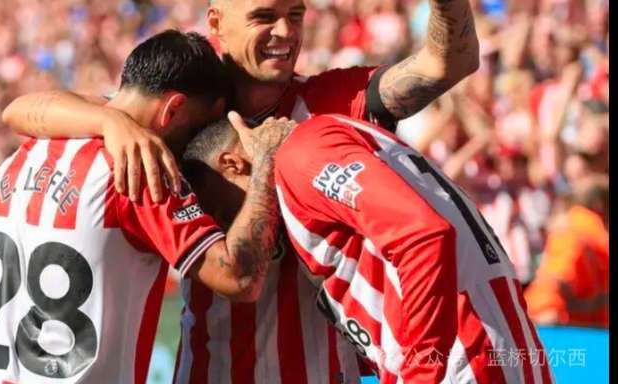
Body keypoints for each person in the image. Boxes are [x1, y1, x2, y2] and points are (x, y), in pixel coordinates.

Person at [1, 0, 481, 383]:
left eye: (296, 15)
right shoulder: (185, 104)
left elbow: (450, 63)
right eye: (264, 17)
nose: (285, 33)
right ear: (216, 23)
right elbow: (21, 109)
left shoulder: (328, 102)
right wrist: (111, 122)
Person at [0, 30, 292, 384]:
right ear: (174, 109)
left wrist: (111, 118)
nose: (197, 149)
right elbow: (238, 277)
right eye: (200, 128)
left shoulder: (15, 163)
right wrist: (266, 164)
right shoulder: (139, 170)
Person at [182, 113, 554, 383]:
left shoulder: (301, 154)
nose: (235, 228)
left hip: (467, 361)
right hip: (486, 354)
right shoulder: (328, 145)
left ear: (232, 163)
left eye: (224, 214)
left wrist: (420, 373)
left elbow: (423, 236)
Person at [524, 179, 609, 328]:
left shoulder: (588, 230)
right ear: (599, 205)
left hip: (586, 329)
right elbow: (554, 280)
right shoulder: (577, 230)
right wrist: (547, 309)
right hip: (569, 329)